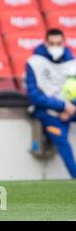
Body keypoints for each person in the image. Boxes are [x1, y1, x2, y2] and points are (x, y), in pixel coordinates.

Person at [26, 28, 76, 179]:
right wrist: (62, 106)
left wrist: (71, 107)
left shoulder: (72, 62)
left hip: (71, 109)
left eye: (58, 43)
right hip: (48, 112)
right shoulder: (34, 63)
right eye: (52, 43)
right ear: (46, 43)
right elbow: (34, 95)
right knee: (62, 141)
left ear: (64, 43)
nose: (55, 46)